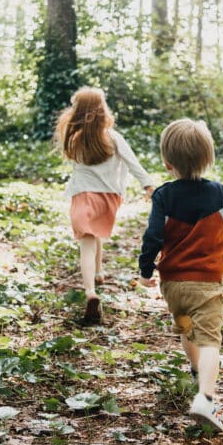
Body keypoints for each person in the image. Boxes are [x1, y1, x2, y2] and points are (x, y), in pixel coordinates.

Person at [139, 118, 223, 433]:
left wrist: (146, 268)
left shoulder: (163, 196)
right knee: (210, 340)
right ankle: (205, 397)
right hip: (207, 282)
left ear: (167, 162)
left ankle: (195, 368)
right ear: (208, 158)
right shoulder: (218, 193)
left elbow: (153, 237)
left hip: (174, 284)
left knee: (186, 328)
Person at [56, 87, 155, 325]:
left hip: (83, 196)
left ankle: (90, 291)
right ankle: (99, 273)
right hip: (109, 199)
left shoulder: (74, 137)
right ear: (102, 111)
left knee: (87, 241)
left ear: (77, 111)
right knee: (95, 230)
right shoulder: (113, 137)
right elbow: (133, 163)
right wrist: (148, 186)